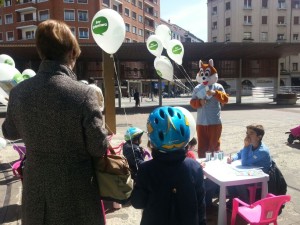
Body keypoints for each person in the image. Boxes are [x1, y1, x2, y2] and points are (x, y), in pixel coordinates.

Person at [2, 19, 108, 225]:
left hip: (36, 193)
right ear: (70, 54)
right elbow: (98, 147)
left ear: (41, 52)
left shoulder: (19, 93)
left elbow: (9, 132)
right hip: (77, 195)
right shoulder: (84, 94)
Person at [131, 106, 207, 225]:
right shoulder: (194, 167)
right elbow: (201, 205)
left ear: (152, 141)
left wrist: (136, 185)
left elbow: (138, 203)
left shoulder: (146, 169)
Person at [190, 59, 229, 158]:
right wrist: (199, 102)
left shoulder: (218, 87)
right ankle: (202, 166)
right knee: (202, 147)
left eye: (207, 74)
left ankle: (215, 165)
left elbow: (225, 99)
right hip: (201, 122)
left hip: (214, 122)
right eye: (202, 74)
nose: (204, 77)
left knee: (214, 146)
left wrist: (215, 93)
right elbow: (192, 103)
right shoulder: (197, 88)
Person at [227, 124, 272, 203]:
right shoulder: (251, 144)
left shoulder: (262, 151)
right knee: (230, 176)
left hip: (261, 175)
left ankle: (245, 202)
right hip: (251, 170)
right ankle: (234, 199)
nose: (248, 136)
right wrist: (232, 158)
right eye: (247, 133)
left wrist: (245, 146)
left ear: (259, 137)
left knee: (238, 181)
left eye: (251, 133)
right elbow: (240, 154)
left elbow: (244, 162)